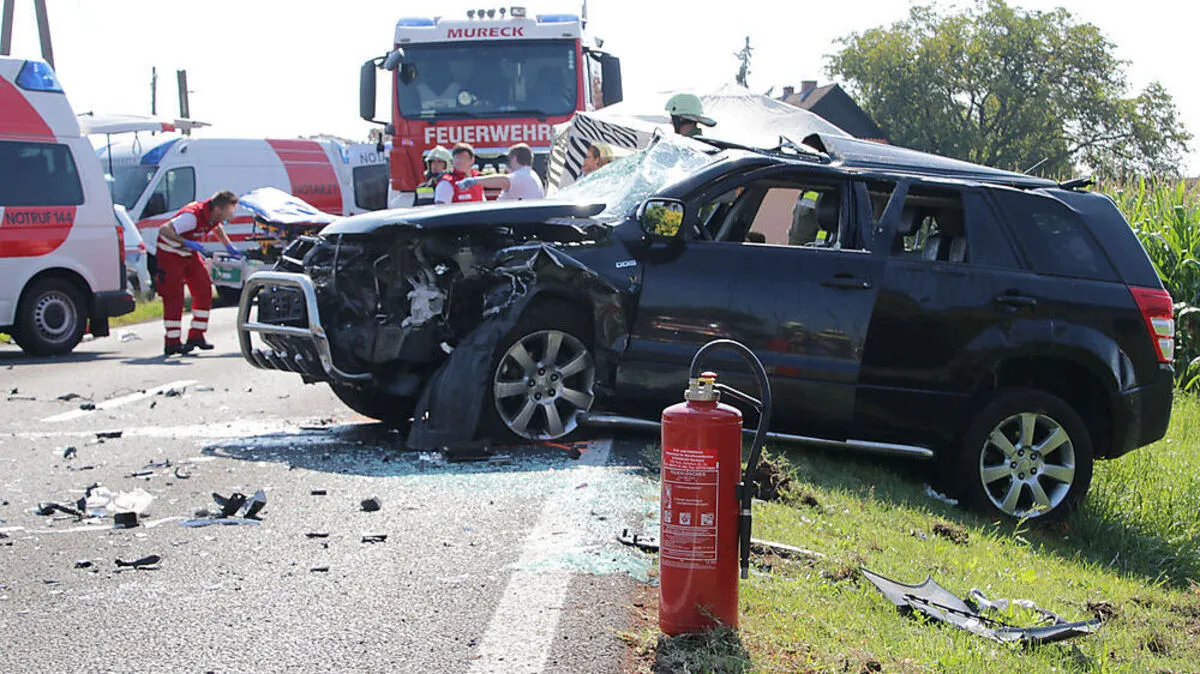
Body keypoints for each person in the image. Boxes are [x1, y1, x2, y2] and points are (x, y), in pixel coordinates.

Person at [155, 190, 243, 356]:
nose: (231, 215)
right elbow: (164, 230)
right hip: (170, 254)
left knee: (203, 290)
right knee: (174, 297)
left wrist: (228, 246)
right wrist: (186, 242)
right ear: (218, 209)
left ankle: (196, 335)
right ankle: (172, 342)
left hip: (189, 253)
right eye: (229, 211)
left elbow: (217, 228)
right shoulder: (192, 217)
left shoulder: (212, 215)